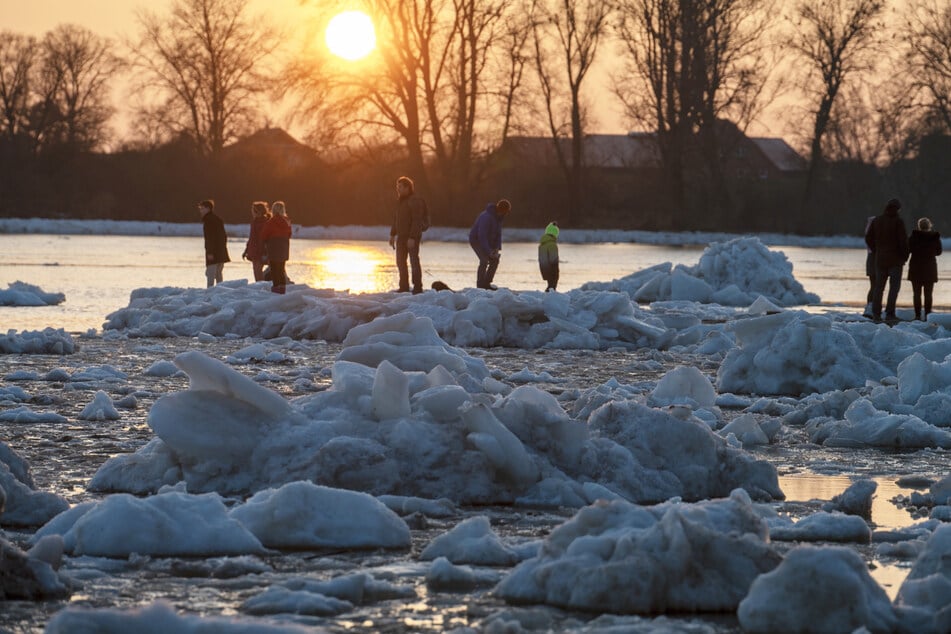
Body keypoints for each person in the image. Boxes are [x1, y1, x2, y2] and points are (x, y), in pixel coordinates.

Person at [865, 197, 910, 322]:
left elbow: (868, 238)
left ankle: (876, 313)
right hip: (895, 260)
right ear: (898, 209)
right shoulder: (898, 222)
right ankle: (890, 313)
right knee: (893, 288)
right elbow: (903, 242)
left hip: (880, 260)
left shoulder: (877, 220)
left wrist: (876, 250)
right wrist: (905, 256)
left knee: (879, 287)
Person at [388, 176, 428, 294]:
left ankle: (417, 288)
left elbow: (417, 220)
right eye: (397, 186)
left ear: (407, 187)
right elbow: (396, 219)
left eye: (400, 187)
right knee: (400, 262)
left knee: (414, 261)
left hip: (412, 237)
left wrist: (412, 237)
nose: (398, 189)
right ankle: (404, 287)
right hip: (401, 236)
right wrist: (392, 234)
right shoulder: (400, 201)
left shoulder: (415, 201)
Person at [469, 198, 511, 290]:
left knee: (495, 260)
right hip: (476, 240)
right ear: (501, 209)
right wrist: (489, 252)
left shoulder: (499, 218)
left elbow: (498, 234)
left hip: (489, 241)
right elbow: (482, 236)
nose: (506, 214)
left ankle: (486, 283)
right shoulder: (486, 217)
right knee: (484, 260)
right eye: (506, 211)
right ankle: (480, 285)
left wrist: (496, 248)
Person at [907, 217, 942, 321]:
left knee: (916, 293)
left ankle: (917, 315)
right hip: (929, 269)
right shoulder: (934, 238)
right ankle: (927, 315)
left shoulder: (913, 237)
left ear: (919, 226)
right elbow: (939, 252)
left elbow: (908, 249)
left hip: (915, 268)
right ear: (929, 226)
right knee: (928, 294)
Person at [260, 200, 292, 294]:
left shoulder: (271, 222)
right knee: (281, 270)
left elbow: (264, 235)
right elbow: (289, 235)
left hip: (273, 249)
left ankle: (276, 291)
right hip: (284, 249)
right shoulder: (287, 222)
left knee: (274, 271)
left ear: (273, 210)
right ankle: (282, 291)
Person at [198, 199, 230, 288]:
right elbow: (224, 236)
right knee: (219, 274)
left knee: (210, 275)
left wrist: (210, 252)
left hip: (213, 253)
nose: (200, 210)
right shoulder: (218, 219)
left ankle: (210, 293)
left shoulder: (208, 220)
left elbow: (210, 238)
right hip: (221, 251)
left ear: (208, 208)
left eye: (202, 208)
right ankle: (220, 292)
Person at [242, 201, 270, 282]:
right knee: (256, 271)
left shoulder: (264, 223)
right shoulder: (254, 222)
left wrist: (264, 252)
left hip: (259, 251)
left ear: (258, 211)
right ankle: (260, 288)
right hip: (254, 251)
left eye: (253, 210)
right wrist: (246, 250)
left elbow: (263, 239)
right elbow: (251, 238)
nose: (252, 212)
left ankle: (261, 290)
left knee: (258, 273)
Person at [538, 221, 560, 292]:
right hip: (552, 268)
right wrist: (556, 269)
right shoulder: (552, 244)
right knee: (552, 285)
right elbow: (553, 259)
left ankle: (549, 295)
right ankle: (550, 298)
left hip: (543, 268)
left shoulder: (542, 245)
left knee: (550, 285)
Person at [862, 215, 876, 318]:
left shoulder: (868, 233)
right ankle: (872, 307)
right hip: (874, 260)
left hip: (870, 260)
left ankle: (871, 306)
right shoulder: (872, 236)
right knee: (875, 285)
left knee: (873, 285)